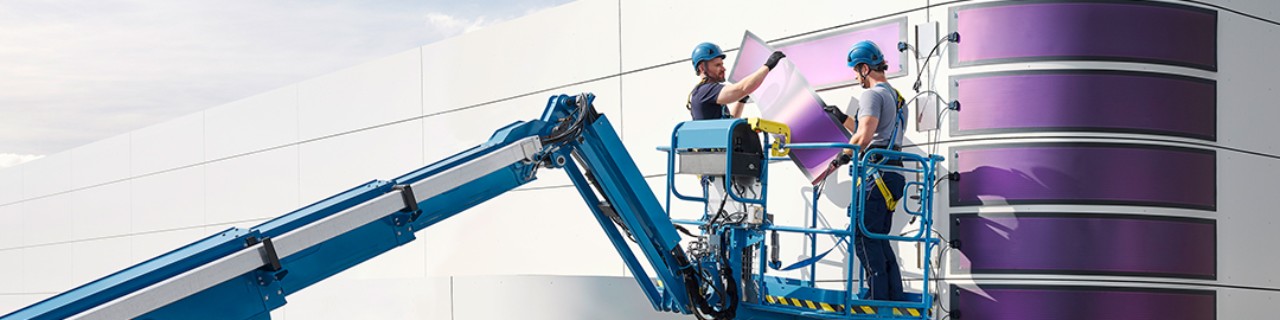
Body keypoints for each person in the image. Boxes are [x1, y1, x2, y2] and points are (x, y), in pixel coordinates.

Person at [841, 40, 907, 301]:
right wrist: (842, 119)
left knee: (862, 236)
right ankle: (894, 295)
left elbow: (865, 135)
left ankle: (876, 298)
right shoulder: (897, 97)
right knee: (878, 237)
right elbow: (880, 131)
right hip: (893, 173)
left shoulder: (870, 94)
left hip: (876, 173)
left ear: (865, 68)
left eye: (856, 71)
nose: (856, 76)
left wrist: (841, 157)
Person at [687, 42, 786, 120]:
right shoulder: (704, 91)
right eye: (717, 65)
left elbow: (730, 123)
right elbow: (741, 88)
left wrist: (741, 100)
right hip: (714, 146)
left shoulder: (710, 94)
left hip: (720, 144)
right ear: (702, 68)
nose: (723, 68)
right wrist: (768, 66)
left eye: (722, 64)